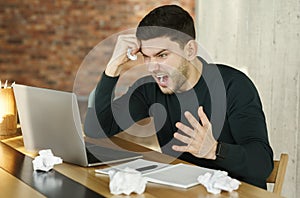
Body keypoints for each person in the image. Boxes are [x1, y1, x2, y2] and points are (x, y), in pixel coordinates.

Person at [92, 5, 273, 189]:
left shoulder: (234, 85)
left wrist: (214, 150)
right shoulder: (150, 89)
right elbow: (96, 129)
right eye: (146, 56)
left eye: (162, 55)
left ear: (190, 50)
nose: (152, 67)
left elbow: (262, 165)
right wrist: (113, 66)